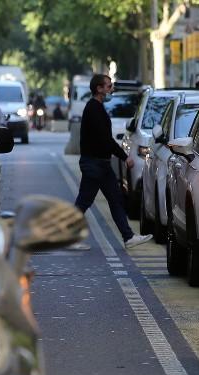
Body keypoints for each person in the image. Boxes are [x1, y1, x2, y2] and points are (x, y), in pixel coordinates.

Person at [73, 73, 152, 249]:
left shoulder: (97, 108)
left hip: (101, 164)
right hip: (94, 164)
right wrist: (125, 157)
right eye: (108, 86)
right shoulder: (93, 108)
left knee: (115, 199)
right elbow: (105, 140)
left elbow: (104, 140)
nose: (111, 89)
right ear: (99, 89)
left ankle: (128, 237)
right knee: (84, 202)